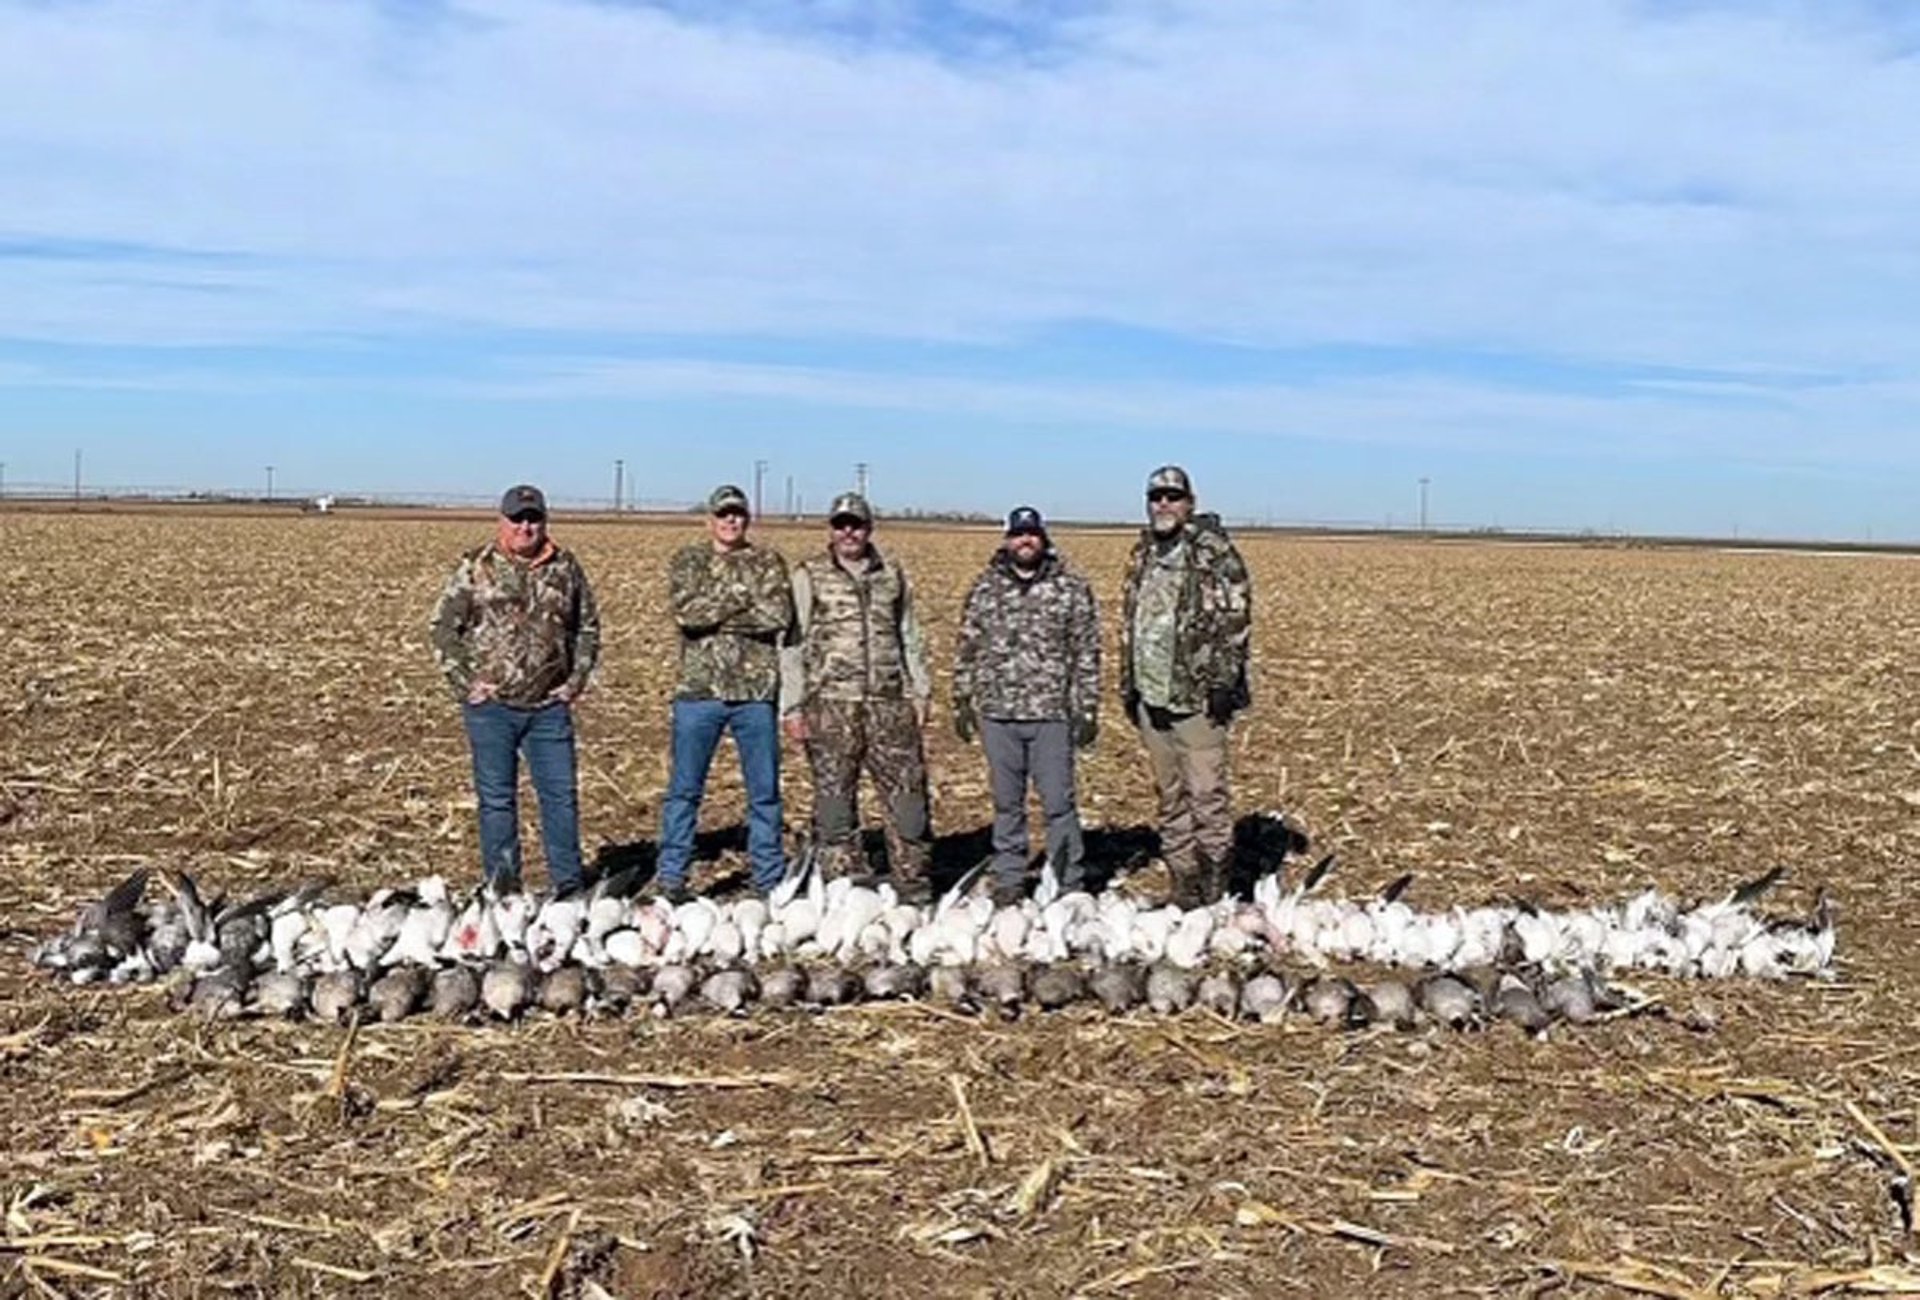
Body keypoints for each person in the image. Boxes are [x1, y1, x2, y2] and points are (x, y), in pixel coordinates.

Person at [430, 483, 600, 895]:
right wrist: (465, 681)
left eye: (533, 518)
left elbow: (588, 628)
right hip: (492, 709)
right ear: (502, 521)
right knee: (497, 802)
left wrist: (575, 681)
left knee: (560, 798)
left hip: (549, 708)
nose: (526, 526)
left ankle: (568, 887)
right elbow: (442, 629)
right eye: (517, 518)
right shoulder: (475, 567)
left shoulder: (565, 567)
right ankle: (503, 890)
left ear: (544, 521)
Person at [779, 492, 935, 900]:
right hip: (830, 704)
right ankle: (847, 890)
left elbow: (909, 635)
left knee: (909, 801)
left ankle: (912, 885)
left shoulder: (892, 575)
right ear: (830, 529)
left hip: (889, 704)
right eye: (841, 524)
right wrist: (792, 706)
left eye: (857, 524)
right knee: (834, 804)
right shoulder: (809, 575)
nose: (848, 531)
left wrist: (921, 690)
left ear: (870, 528)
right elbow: (792, 646)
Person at [953, 506, 1100, 906]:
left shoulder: (1070, 588)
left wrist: (1086, 708)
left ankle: (1068, 882)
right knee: (1006, 804)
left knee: (1059, 803)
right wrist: (962, 700)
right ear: (1007, 539)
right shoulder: (985, 589)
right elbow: (967, 647)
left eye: (1032, 534)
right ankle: (1009, 879)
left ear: (1043, 538)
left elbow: (1086, 651)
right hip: (997, 714)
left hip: (1051, 713)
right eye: (1019, 534)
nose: (1025, 541)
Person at [1119, 465, 1252, 908]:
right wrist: (1129, 683)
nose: (1163, 504)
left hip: (1197, 698)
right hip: (1151, 695)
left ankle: (1215, 890)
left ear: (1189, 502)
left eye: (1172, 496)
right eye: (1155, 496)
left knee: (1206, 794)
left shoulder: (1213, 552)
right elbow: (1130, 621)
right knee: (1170, 795)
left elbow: (1236, 619)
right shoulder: (1143, 553)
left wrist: (1223, 681)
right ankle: (1183, 883)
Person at [658, 484, 794, 899]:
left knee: (764, 792)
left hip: (755, 694)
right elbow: (687, 614)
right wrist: (743, 602)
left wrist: (717, 611)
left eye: (737, 514)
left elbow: (777, 616)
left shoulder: (768, 561)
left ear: (747, 519)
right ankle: (671, 876)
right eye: (723, 514)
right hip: (699, 694)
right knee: (684, 790)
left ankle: (768, 877)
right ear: (710, 520)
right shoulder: (689, 560)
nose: (731, 521)